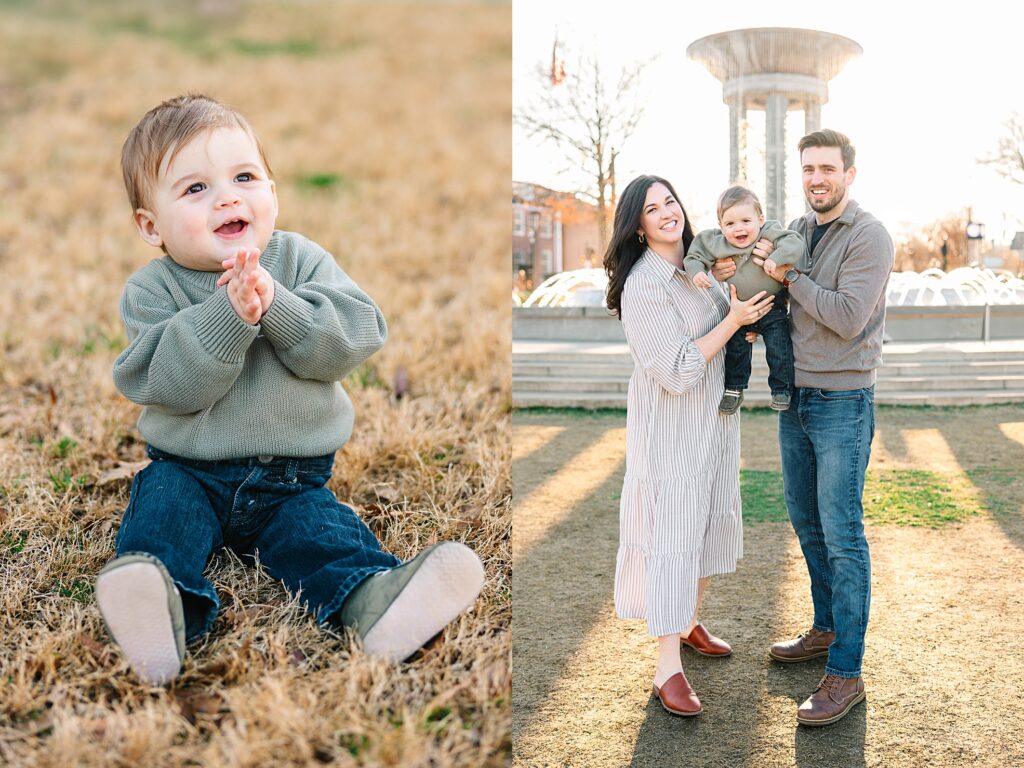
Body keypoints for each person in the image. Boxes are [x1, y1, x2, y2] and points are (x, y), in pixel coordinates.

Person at [96, 94, 485, 685]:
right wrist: (229, 317)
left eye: (244, 177)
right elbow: (167, 385)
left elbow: (354, 338)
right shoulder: (151, 291)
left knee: (321, 539)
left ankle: (374, 604)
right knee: (161, 519)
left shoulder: (300, 260)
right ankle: (161, 607)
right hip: (188, 469)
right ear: (151, 225)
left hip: (291, 479)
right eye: (195, 189)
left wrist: (278, 305)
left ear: (272, 191)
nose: (227, 197)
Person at [713, 129, 894, 726]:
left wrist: (788, 277)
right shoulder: (795, 227)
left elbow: (845, 317)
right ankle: (824, 628)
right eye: (808, 168)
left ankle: (846, 672)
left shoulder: (869, 235)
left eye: (827, 168)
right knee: (806, 522)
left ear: (849, 173)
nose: (817, 178)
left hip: (843, 400)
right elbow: (764, 283)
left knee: (843, 534)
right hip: (795, 399)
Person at [604, 174, 774, 716]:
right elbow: (677, 370)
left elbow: (728, 331)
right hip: (672, 431)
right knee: (674, 533)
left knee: (704, 524)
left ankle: (690, 619)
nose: (666, 213)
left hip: (713, 425)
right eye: (652, 209)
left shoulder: (699, 267)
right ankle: (666, 668)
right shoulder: (644, 286)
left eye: (670, 201)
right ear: (637, 224)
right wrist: (732, 321)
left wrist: (745, 311)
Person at [683, 185, 806, 414]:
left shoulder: (768, 232)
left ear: (760, 219)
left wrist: (776, 257)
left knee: (779, 347)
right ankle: (734, 389)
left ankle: (782, 389)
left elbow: (794, 242)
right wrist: (698, 272)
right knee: (737, 349)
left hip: (771, 305)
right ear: (721, 226)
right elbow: (694, 255)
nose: (738, 228)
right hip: (738, 309)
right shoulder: (715, 241)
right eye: (730, 224)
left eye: (745, 221)